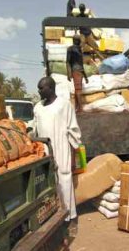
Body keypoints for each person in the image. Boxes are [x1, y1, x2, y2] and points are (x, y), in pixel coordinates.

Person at [33, 77, 82, 226]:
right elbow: (35, 130)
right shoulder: (38, 107)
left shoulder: (64, 105)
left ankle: (69, 216)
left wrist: (74, 158)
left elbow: (73, 131)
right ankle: (53, 215)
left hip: (61, 150)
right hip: (44, 152)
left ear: (50, 88)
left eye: (41, 88)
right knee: (48, 184)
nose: (39, 91)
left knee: (64, 181)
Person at [67, 35, 89, 112]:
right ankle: (80, 108)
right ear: (75, 41)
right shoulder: (71, 49)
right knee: (78, 90)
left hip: (78, 71)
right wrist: (69, 73)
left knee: (78, 90)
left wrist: (85, 77)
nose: (80, 42)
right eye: (79, 40)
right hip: (76, 71)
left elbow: (81, 64)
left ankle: (78, 108)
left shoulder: (78, 49)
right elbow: (68, 62)